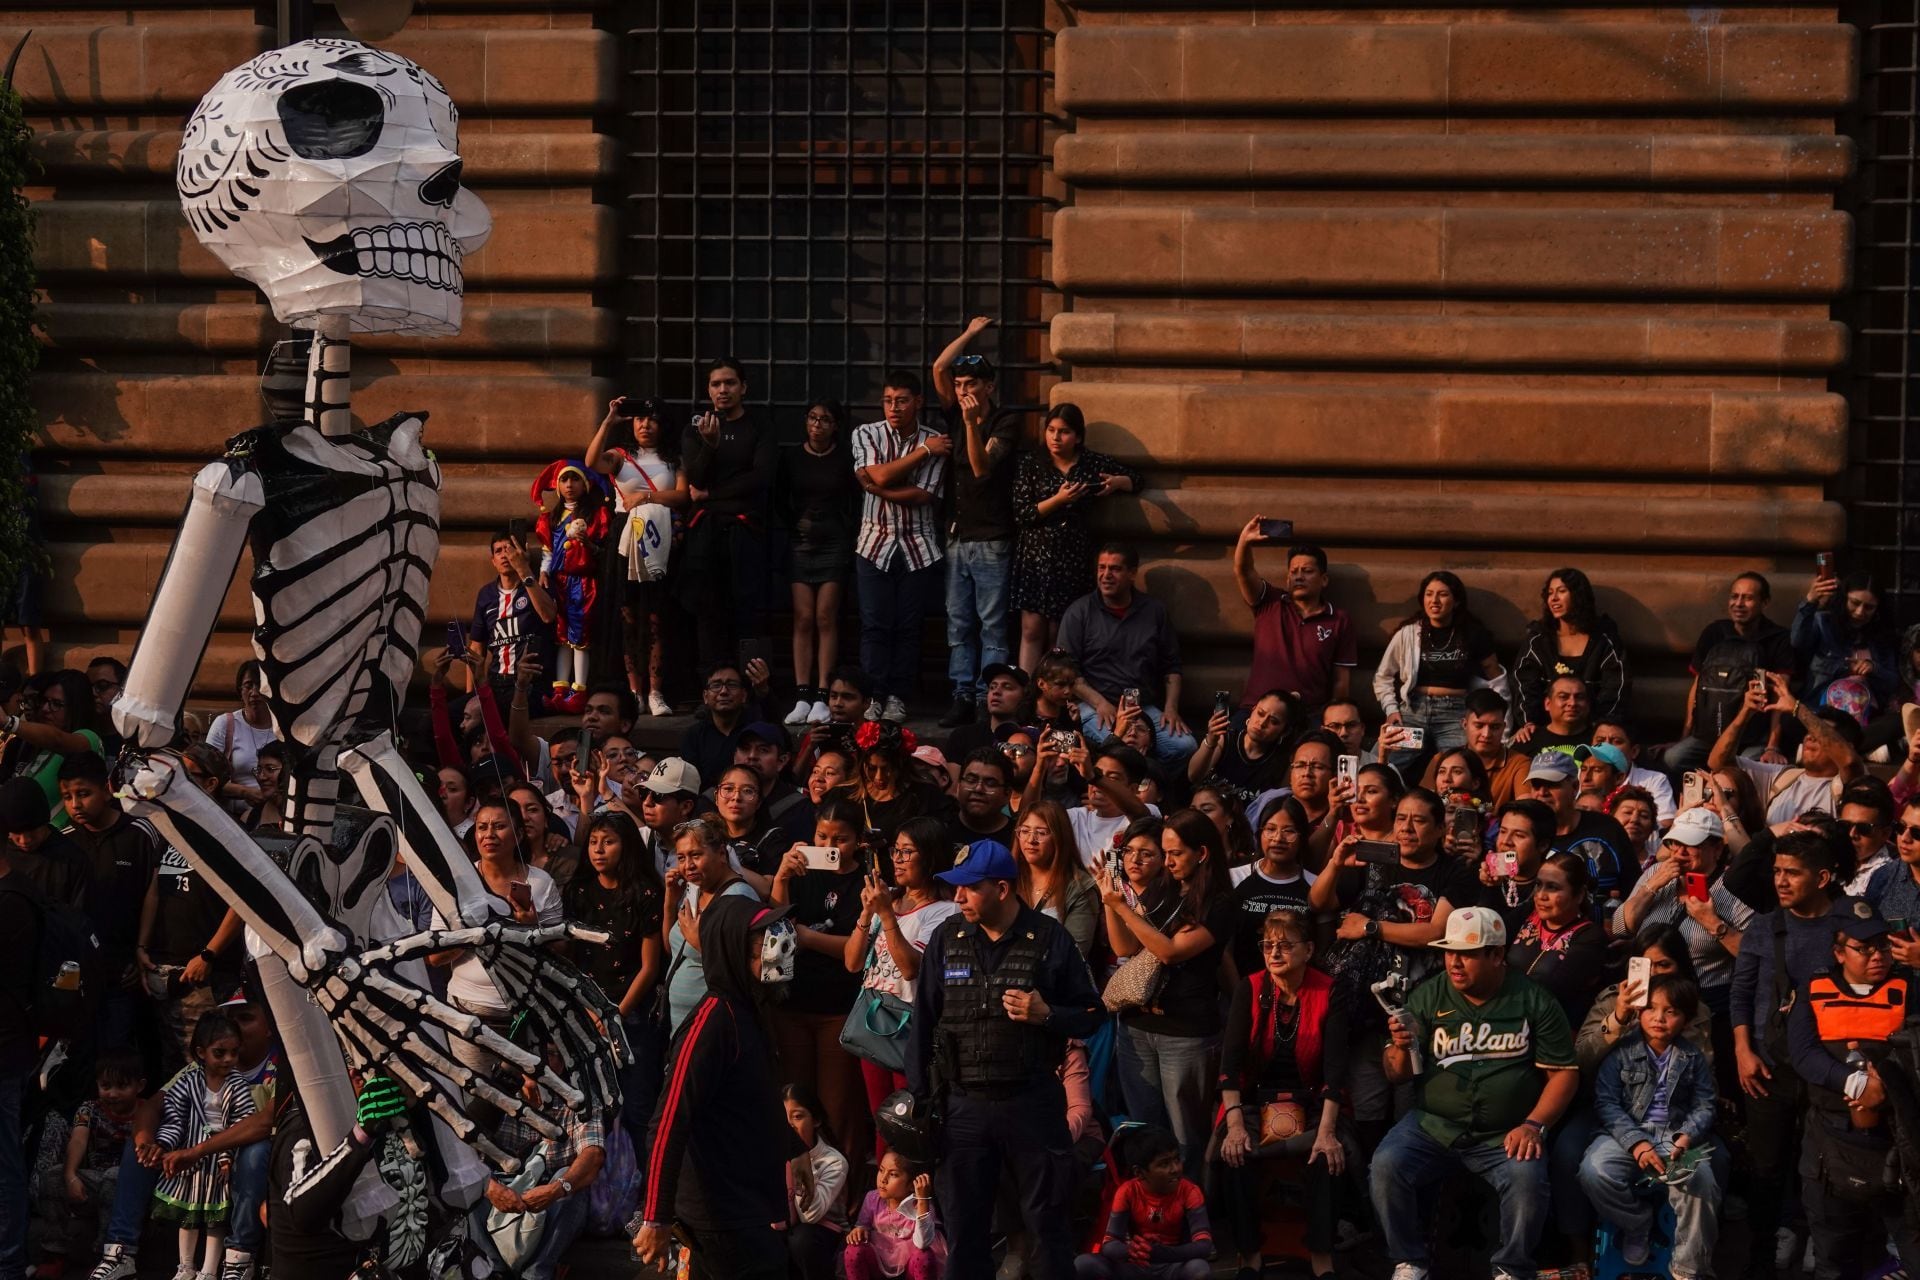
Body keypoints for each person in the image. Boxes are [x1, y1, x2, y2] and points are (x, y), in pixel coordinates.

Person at [906, 839, 1106, 1280]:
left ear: (1001, 888)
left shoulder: (1050, 938)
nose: (957, 898)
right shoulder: (946, 938)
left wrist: (1047, 1014)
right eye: (955, 888)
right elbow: (922, 1023)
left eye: (968, 888)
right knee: (965, 1229)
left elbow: (1093, 1014)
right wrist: (921, 1102)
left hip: (1031, 1102)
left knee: (1047, 1226)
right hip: (962, 1105)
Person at [1371, 907, 1578, 1280]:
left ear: (1497, 955)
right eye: (1450, 952)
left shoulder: (1534, 1000)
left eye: (1467, 953)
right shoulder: (1428, 995)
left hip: (1505, 1132)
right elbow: (1395, 1074)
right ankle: (1410, 1261)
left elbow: (1563, 1075)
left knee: (1527, 1178)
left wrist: (1534, 1125)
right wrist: (1402, 1046)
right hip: (1434, 1125)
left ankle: (1511, 1268)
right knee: (1386, 1166)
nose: (1455, 962)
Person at [633, 896, 802, 1280]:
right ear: (732, 951)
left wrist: (795, 1152)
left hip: (747, 1201)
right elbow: (667, 1123)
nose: (777, 952)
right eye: (763, 944)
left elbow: (757, 1098)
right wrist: (656, 1218)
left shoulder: (750, 1010)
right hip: (721, 1211)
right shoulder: (712, 1023)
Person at [1312, 786, 1476, 1146]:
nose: (1407, 828)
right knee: (1368, 1112)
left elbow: (1436, 933)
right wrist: (1335, 864)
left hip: (1421, 1008)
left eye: (1419, 821)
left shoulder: (1454, 872)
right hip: (1367, 1008)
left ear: (1439, 830)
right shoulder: (1377, 860)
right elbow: (1320, 902)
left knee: (1410, 1113)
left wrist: (1371, 928)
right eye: (1401, 818)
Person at [1728, 830, 1858, 1276]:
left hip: (1830, 1068)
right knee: (1765, 1170)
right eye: (1777, 871)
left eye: (1792, 873)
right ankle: (1762, 1255)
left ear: (1822, 877)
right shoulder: (1764, 925)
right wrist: (1743, 1051)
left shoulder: (1851, 924)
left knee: (1827, 1167)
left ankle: (1823, 1250)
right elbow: (1741, 993)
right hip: (1768, 1066)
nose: (1781, 881)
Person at [1207, 908, 1349, 1280]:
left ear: (1309, 949)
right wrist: (1235, 1124)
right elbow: (1230, 1064)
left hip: (1313, 1099)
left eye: (1286, 945)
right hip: (1253, 1099)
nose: (1274, 953)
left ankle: (1322, 1259)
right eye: (1268, 945)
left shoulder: (1329, 989)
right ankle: (1250, 1255)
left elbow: (1336, 1070)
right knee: (1234, 1154)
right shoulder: (1250, 987)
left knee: (1327, 1156)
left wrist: (1327, 1131)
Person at [1096, 810, 1238, 1174]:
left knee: (1186, 1137)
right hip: (1137, 1025)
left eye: (1176, 853)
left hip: (1185, 1033)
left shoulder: (1220, 902)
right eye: (1166, 852)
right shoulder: (1164, 886)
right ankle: (1152, 1215)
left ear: (1202, 853)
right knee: (1146, 1133)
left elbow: (1170, 952)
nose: (1168, 861)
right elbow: (1124, 945)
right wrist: (1110, 902)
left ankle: (1194, 1213)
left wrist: (1121, 907)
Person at [1787, 904, 1920, 1279]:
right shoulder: (1814, 989)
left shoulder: (1909, 987)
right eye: (1864, 948)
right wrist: (1854, 1082)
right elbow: (1802, 1053)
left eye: (1881, 946)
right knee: (1834, 1254)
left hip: (1898, 1138)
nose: (1876, 956)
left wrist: (1885, 1085)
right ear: (1838, 952)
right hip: (1832, 1138)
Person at [1578, 975, 1721, 1279]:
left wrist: (1686, 1137)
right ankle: (1637, 1223)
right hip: (1624, 1134)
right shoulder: (1620, 1051)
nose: (1659, 1018)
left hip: (1674, 1136)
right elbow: (1606, 1103)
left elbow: (1705, 1104)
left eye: (1671, 1011)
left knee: (1703, 1183)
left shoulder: (1692, 1056)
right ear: (1638, 1012)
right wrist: (1637, 1143)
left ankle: (1689, 1267)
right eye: (1651, 1009)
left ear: (1685, 1019)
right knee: (1594, 1171)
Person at [429, 800, 561, 1102]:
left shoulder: (541, 883)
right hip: (469, 1016)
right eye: (482, 827)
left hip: (526, 1019)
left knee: (532, 1105)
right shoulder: (455, 883)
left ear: (517, 834)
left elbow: (561, 952)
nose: (489, 834)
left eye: (499, 826)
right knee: (475, 1106)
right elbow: (435, 956)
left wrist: (532, 927)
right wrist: (476, 934)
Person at [843, 816, 960, 1147]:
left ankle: (912, 1194)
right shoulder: (888, 901)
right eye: (896, 850)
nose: (897, 858)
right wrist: (868, 914)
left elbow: (911, 969)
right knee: (881, 1121)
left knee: (906, 1121)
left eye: (908, 852)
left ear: (931, 856)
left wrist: (886, 916)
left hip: (908, 1030)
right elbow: (852, 963)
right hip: (873, 1022)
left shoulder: (944, 911)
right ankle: (883, 1195)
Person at [768, 798, 870, 1164]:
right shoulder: (801, 873)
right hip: (792, 1003)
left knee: (837, 1106)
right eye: (821, 836)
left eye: (839, 839)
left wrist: (808, 939)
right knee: (795, 1101)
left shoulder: (864, 882)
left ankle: (845, 1197)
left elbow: (857, 949)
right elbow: (776, 928)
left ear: (858, 840)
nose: (828, 847)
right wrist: (780, 878)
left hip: (837, 1009)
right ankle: (796, 1188)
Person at [930, 325, 1021, 730]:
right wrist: (968, 333)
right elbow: (938, 367)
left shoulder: (1004, 421)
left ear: (989, 386)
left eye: (972, 383)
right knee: (958, 622)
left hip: (992, 539)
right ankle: (962, 694)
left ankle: (989, 700)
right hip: (957, 535)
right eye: (960, 383)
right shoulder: (955, 411)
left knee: (992, 624)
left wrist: (970, 425)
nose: (964, 389)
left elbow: (982, 468)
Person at [1009, 403, 1143, 673]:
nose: (1056, 438)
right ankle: (1028, 694)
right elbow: (1022, 513)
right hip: (1036, 555)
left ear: (1078, 436)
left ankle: (1055, 694)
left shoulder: (1091, 463)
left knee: (1061, 631)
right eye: (1051, 430)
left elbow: (1137, 479)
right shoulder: (1032, 463)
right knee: (1031, 629)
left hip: (1072, 555)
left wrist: (1117, 483)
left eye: (1064, 432)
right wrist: (1058, 500)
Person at [561, 811, 664, 1148]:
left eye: (608, 841)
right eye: (593, 842)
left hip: (630, 1012)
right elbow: (572, 960)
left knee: (637, 1106)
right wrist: (589, 1011)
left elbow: (649, 967)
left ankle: (645, 1191)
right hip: (586, 1012)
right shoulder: (578, 892)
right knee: (590, 1108)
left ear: (627, 846)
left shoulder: (645, 894)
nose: (598, 849)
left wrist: (615, 1014)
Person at [138, 746, 243, 1075]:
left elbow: (242, 901)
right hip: (163, 970)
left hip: (206, 977)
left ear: (210, 783)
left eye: (185, 776)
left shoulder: (228, 832)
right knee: (172, 1072)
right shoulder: (172, 826)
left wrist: (209, 955)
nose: (174, 783)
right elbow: (155, 887)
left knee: (206, 1071)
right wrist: (141, 946)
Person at [852, 371, 950, 722]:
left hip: (918, 547)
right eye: (888, 400)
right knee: (875, 624)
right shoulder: (866, 433)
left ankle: (897, 696)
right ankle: (872, 695)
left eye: (902, 400)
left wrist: (879, 487)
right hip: (873, 544)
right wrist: (921, 454)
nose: (894, 407)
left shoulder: (938, 439)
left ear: (918, 402)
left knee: (909, 626)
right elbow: (878, 474)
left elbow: (923, 495)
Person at [1615, 807, 1753, 1050]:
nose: (1680, 851)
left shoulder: (1732, 887)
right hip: (1647, 998)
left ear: (1717, 848)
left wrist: (1714, 924)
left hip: (1705, 1006)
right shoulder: (1657, 873)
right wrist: (1652, 886)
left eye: (1691, 844)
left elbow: (1755, 954)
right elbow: (1619, 928)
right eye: (1674, 843)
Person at [586, 395, 689, 719]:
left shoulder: (673, 459)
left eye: (653, 419)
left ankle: (656, 690)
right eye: (640, 419)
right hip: (626, 537)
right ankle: (634, 691)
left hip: (659, 539)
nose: (645, 425)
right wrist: (609, 419)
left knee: (656, 617)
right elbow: (591, 462)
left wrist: (645, 496)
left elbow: (682, 495)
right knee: (629, 617)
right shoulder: (621, 456)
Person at [677, 356, 777, 673]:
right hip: (706, 537)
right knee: (708, 611)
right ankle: (712, 686)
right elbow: (695, 480)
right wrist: (710, 445)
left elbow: (761, 476)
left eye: (730, 383)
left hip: (745, 533)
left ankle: (751, 686)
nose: (723, 390)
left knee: (748, 612)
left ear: (743, 387)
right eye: (716, 384)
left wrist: (713, 495)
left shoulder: (759, 426)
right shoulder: (697, 429)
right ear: (708, 389)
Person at [470, 1053, 607, 1280]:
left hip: (548, 1201)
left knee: (570, 1181)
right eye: (528, 1053)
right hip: (501, 1197)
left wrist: (557, 1189)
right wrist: (492, 1189)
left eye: (549, 1054)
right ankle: (493, 1270)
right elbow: (465, 1150)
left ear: (561, 1063)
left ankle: (537, 1273)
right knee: (473, 1184)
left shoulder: (577, 1098)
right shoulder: (496, 1094)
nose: (537, 1062)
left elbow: (593, 1156)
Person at [1058, 545, 1193, 762]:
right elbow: (1066, 671)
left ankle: (1148, 789)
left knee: (1184, 746)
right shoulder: (1079, 612)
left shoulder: (1154, 611)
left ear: (1132, 573)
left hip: (1143, 708)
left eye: (1115, 569)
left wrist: (1171, 708)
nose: (1106, 575)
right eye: (1101, 568)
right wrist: (1100, 703)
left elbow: (1172, 666)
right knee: (1121, 748)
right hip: (1096, 705)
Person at [1373, 570, 1507, 777]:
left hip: (1455, 714)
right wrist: (1391, 710)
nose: (1434, 600)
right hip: (1413, 711)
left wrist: (1502, 722)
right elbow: (1383, 676)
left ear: (1456, 601)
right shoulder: (1409, 633)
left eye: (1442, 594)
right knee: (1385, 765)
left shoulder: (1473, 633)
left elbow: (1496, 678)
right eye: (1429, 594)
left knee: (1463, 769)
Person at [1663, 571, 1796, 777]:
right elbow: (1697, 687)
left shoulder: (1778, 639)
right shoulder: (1714, 633)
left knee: (1743, 770)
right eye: (1734, 596)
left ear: (1765, 602)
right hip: (1708, 736)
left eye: (1748, 598)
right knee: (1673, 759)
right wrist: (1685, 736)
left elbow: (1780, 696)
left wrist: (1772, 746)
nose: (1739, 604)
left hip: (1753, 738)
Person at [151, 1011, 252, 1280]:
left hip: (220, 1163)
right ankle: (185, 1266)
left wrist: (227, 1156)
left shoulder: (238, 1085)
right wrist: (164, 1144)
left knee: (215, 1220)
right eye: (220, 1053)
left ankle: (208, 1270)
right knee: (189, 1215)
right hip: (191, 1161)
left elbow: (242, 1123)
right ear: (201, 1052)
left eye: (234, 1052)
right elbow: (174, 1118)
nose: (228, 1059)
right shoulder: (187, 1081)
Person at [776, 398, 858, 726]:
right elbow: (780, 498)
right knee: (803, 617)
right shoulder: (792, 456)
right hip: (801, 540)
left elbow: (854, 498)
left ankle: (824, 695)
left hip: (834, 541)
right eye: (812, 418)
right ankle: (801, 694)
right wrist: (796, 522)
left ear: (835, 425)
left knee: (826, 616)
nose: (817, 425)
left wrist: (844, 529)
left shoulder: (844, 458)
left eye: (825, 420)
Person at [32, 1053, 143, 1272]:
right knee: (53, 1176)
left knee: (115, 1176)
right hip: (95, 1181)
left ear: (139, 1086)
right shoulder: (89, 1109)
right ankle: (53, 1254)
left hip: (131, 1188)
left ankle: (107, 1255)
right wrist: (71, 1175)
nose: (112, 1093)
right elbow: (78, 1139)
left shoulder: (147, 1111)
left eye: (122, 1086)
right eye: (105, 1086)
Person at [1712, 672, 1866, 825]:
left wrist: (1797, 708)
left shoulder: (1849, 787)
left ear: (1847, 746)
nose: (1810, 737)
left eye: (1820, 733)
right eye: (1809, 731)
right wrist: (1745, 713)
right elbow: (1718, 762)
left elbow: (1849, 762)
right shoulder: (1782, 777)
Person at [1234, 529, 1356, 715]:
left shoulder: (1339, 620)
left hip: (1308, 715)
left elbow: (1341, 681)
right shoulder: (1269, 601)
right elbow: (1243, 571)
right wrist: (1245, 541)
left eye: (1307, 571)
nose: (1299, 577)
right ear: (1287, 578)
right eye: (1294, 572)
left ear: (1323, 580)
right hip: (1257, 711)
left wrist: (1333, 720)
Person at [1076, 1125, 1212, 1280]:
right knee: (1084, 1264)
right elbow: (1110, 1244)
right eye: (1164, 1164)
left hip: (1173, 1266)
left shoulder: (1189, 1191)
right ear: (1139, 1173)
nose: (1175, 1169)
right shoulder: (1127, 1191)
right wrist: (1131, 1251)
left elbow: (1204, 1246)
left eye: (1176, 1159)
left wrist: (1158, 1252)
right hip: (1137, 1266)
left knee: (1199, 1270)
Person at [1510, 568, 1630, 741]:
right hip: (1545, 729)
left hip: (1594, 731)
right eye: (1550, 593)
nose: (1554, 598)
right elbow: (1524, 684)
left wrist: (1601, 726)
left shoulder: (1604, 640)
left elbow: (1616, 687)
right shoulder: (1539, 640)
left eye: (1562, 591)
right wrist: (1529, 722)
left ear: (1578, 595)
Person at [1522, 750, 1640, 910]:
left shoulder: (1608, 828)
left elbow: (1634, 887)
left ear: (1575, 787)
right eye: (1536, 785)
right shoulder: (1523, 832)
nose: (1542, 792)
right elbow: (1509, 882)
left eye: (1552, 784)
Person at [1506, 851, 1611, 1026]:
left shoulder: (1591, 937)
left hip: (1551, 1031)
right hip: (1504, 1019)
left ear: (1578, 895)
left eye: (1552, 887)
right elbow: (1490, 940)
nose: (1541, 895)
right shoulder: (1529, 915)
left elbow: (1553, 990)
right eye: (1538, 885)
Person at [465, 528, 558, 718]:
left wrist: (523, 569)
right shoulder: (486, 595)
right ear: (493, 561)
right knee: (452, 715)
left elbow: (548, 616)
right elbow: (476, 648)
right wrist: (470, 695)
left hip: (531, 684)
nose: (504, 555)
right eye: (498, 551)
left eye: (509, 549)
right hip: (495, 683)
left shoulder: (536, 587)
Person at [0, 815, 37, 1280]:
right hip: (13, 1044)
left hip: (4, 1047)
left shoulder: (10, 901)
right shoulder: (21, 891)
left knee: (3, 1160)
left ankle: (8, 1261)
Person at [1794, 569, 1898, 726]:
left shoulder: (1881, 637)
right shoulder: (1823, 624)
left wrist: (1873, 669)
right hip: (1821, 712)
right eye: (1855, 603)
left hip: (1867, 718)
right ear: (1843, 599)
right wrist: (1810, 602)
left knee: (1895, 724)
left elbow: (1893, 681)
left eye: (1869, 607)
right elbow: (1797, 643)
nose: (1860, 612)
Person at [1226, 796, 1316, 978]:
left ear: (1302, 836)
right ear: (1259, 834)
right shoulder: (1235, 879)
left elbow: (1320, 945)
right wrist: (1239, 994)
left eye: (1289, 831)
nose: (1278, 838)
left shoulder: (1315, 885)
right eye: (1270, 829)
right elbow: (1225, 950)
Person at [2, 668, 107, 815]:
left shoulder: (88, 739)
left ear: (75, 708)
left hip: (63, 835)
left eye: (56, 704)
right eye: (44, 701)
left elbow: (58, 740)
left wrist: (7, 722)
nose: (45, 709)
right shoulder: (26, 744)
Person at [1012, 801, 1099, 957]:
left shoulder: (1079, 887)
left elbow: (1074, 954)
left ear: (1060, 836)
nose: (1031, 840)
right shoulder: (1007, 879)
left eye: (1041, 832)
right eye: (1024, 831)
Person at [782, 1084, 849, 1280]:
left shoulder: (834, 1162)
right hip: (786, 1227)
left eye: (798, 1116)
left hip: (824, 1234)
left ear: (816, 1120)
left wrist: (798, 1163)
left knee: (802, 1239)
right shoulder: (771, 1152)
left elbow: (810, 1215)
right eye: (783, 1118)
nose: (789, 1126)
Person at [843, 1151, 944, 1280]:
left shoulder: (920, 1206)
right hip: (879, 1262)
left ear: (912, 1185)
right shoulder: (872, 1198)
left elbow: (922, 1243)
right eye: (881, 1170)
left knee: (923, 1256)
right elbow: (863, 1225)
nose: (883, 1179)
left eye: (893, 1174)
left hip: (909, 1268)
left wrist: (923, 1201)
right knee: (854, 1250)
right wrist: (860, 1230)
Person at [203, 662, 277, 815]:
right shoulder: (226, 724)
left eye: (260, 685)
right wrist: (245, 792)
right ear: (240, 690)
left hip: (275, 815)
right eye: (248, 686)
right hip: (232, 818)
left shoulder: (283, 727)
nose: (254, 693)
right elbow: (206, 777)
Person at [0, 776, 86, 906]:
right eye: (16, 832)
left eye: (32, 830)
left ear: (45, 821)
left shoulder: (72, 861)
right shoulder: (3, 856)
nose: (25, 840)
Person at [1186, 688, 1292, 792]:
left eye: (1273, 721)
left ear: (1285, 731)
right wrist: (1211, 740)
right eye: (1260, 713)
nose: (1262, 723)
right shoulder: (1226, 739)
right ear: (1253, 710)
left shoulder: (1282, 760)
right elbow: (1194, 776)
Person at [677, 660, 758, 788]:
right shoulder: (694, 736)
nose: (724, 691)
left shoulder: (756, 731)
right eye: (716, 685)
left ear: (744, 695)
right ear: (705, 696)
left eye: (731, 685)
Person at [1590, 717, 1676, 829]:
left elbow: (1666, 823)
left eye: (1616, 741)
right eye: (1600, 741)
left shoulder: (1654, 780)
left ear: (1634, 751)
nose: (1606, 747)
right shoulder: (1578, 777)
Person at [943, 663, 1028, 764]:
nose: (996, 691)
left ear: (1024, 696)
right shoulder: (962, 736)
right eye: (992, 687)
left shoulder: (1031, 738)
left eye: (1007, 687)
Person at [1527, 674, 1596, 754]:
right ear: (1547, 704)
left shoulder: (1600, 740)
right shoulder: (1527, 740)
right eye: (1563, 697)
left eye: (1579, 697)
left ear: (1588, 704)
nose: (1572, 703)